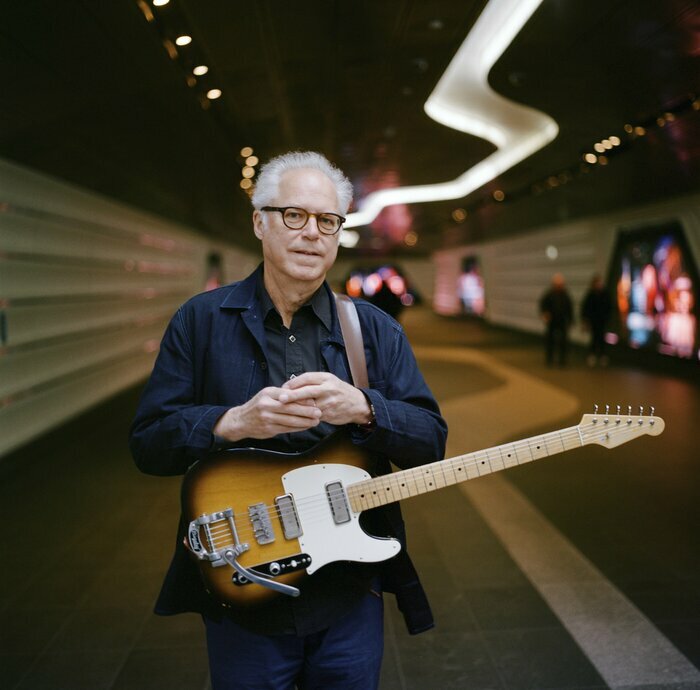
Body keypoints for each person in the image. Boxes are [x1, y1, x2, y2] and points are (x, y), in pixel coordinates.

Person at [129, 151, 447, 690]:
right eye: (293, 216)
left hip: (348, 589)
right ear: (259, 222)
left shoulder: (374, 331)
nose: (312, 234)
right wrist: (232, 421)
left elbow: (431, 439)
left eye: (327, 221)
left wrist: (366, 409)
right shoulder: (201, 322)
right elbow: (149, 444)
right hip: (247, 587)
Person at [539, 272, 574, 366]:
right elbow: (543, 306)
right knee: (550, 341)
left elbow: (569, 308)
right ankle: (549, 359)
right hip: (552, 321)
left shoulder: (565, 296)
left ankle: (562, 360)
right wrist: (545, 314)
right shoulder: (549, 295)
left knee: (563, 341)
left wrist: (570, 320)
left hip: (562, 321)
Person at [581, 274, 611, 366]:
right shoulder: (591, 295)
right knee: (594, 338)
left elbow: (609, 307)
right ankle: (592, 355)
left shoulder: (605, 295)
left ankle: (602, 356)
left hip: (602, 321)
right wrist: (586, 320)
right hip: (594, 321)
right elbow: (585, 308)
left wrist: (607, 317)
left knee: (601, 338)